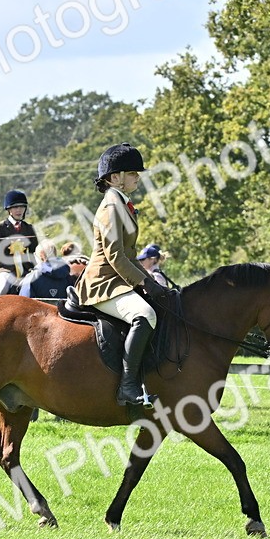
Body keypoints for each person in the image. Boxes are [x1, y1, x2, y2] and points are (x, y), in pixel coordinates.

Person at [72, 143, 168, 407]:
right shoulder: (112, 207)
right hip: (102, 284)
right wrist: (144, 282)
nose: (138, 176)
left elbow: (129, 254)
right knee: (144, 315)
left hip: (116, 280)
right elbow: (116, 256)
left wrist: (150, 281)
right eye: (133, 172)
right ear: (115, 178)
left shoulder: (122, 203)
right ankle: (127, 387)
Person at [0, 189, 38, 296]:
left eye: (22, 207)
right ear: (9, 209)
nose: (19, 210)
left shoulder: (29, 228)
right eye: (15, 207)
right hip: (5, 270)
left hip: (26, 270)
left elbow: (35, 251)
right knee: (3, 288)